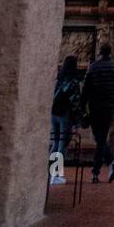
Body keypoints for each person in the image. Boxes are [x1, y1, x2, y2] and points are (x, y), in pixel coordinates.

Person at [81, 42, 114, 184]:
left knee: (99, 138)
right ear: (110, 52)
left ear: (100, 52)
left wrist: (83, 108)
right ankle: (109, 163)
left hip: (95, 106)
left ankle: (96, 171)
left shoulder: (93, 67)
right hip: (108, 107)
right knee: (101, 138)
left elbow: (85, 90)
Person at [49, 55, 82, 184]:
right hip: (64, 114)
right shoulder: (73, 82)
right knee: (62, 144)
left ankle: (51, 172)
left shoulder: (58, 78)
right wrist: (78, 120)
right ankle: (56, 174)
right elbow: (75, 103)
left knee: (55, 142)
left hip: (54, 113)